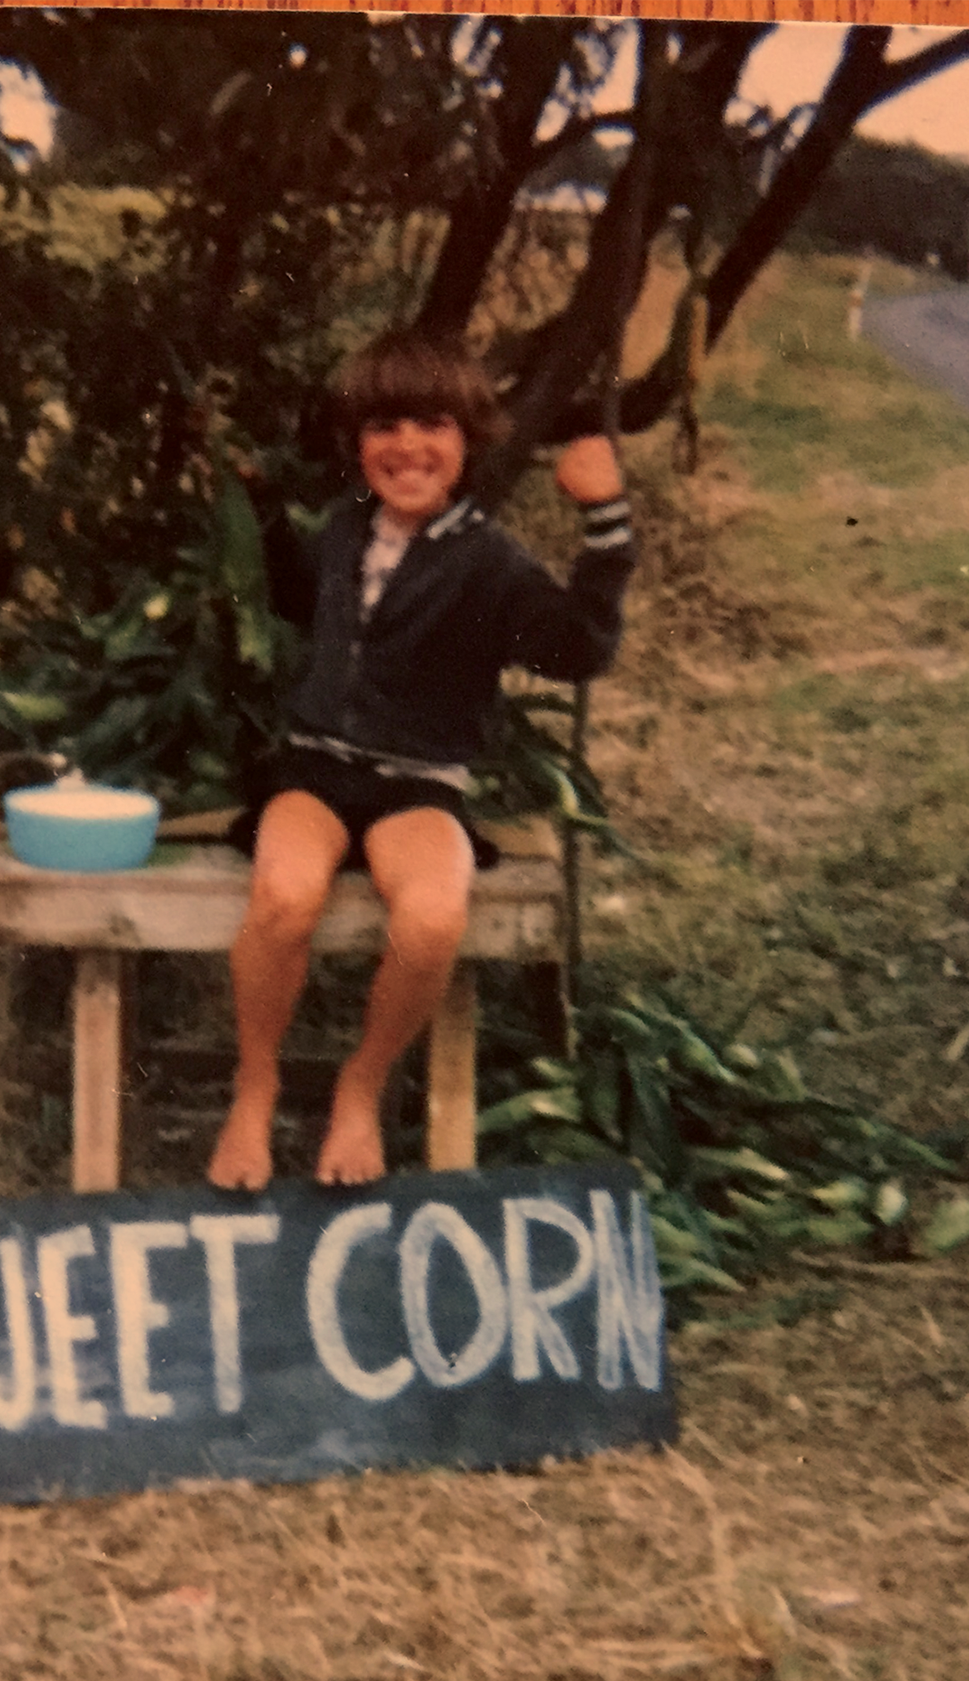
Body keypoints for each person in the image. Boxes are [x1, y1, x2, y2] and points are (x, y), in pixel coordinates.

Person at [208, 329, 637, 1192]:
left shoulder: (491, 562)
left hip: (421, 781)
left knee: (434, 918)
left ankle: (360, 1087)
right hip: (315, 768)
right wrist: (254, 501)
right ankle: (255, 1085)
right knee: (285, 895)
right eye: (384, 426)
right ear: (357, 443)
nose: (406, 446)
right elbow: (300, 600)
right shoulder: (341, 529)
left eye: (432, 424)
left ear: (469, 441)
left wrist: (606, 523)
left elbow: (579, 649)